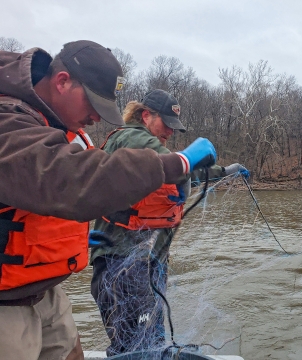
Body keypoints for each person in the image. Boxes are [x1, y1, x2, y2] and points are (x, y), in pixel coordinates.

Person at [0, 41, 217, 360]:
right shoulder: (8, 119)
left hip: (43, 289)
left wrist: (77, 237)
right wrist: (180, 164)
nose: (94, 117)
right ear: (62, 82)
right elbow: (69, 178)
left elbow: (33, 196)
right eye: (93, 104)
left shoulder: (51, 125)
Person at [90, 89, 249, 356]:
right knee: (132, 347)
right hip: (121, 264)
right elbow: (177, 167)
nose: (170, 132)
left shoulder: (154, 154)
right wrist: (189, 159)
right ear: (146, 115)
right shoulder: (131, 138)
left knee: (151, 338)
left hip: (148, 264)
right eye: (167, 123)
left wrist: (224, 172)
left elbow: (182, 174)